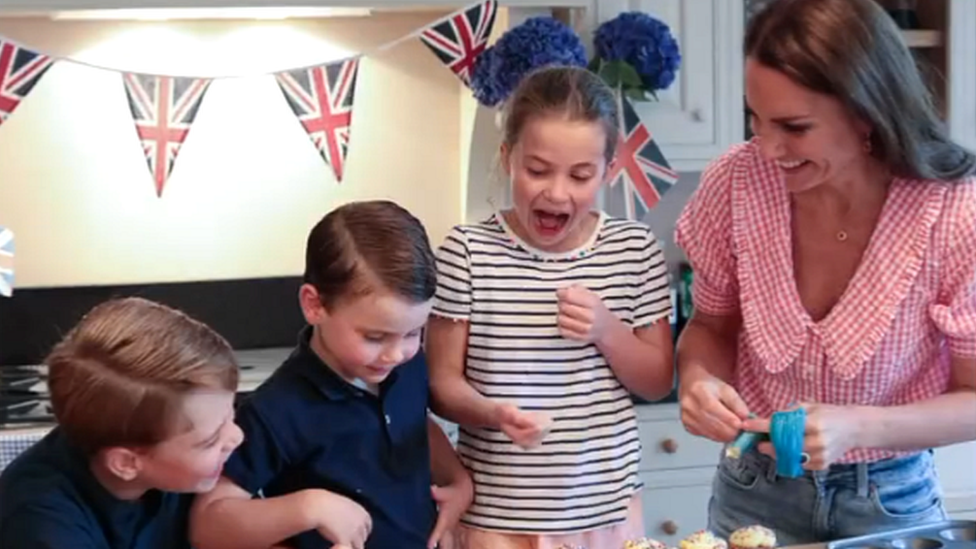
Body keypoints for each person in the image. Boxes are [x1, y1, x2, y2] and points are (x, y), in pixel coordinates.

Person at [674, 0, 976, 544]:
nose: (767, 147)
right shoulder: (734, 184)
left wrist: (859, 427)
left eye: (794, 126)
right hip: (751, 487)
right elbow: (711, 325)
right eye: (755, 119)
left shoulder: (953, 213)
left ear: (867, 112)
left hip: (890, 499)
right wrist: (699, 380)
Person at [426, 65, 676, 549]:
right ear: (507, 158)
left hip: (606, 516)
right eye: (537, 169)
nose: (556, 192)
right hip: (496, 520)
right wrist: (494, 412)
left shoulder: (635, 249)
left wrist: (608, 330)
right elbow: (441, 385)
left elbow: (657, 381)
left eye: (581, 175)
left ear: (609, 170)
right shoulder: (467, 252)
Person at [190, 200, 473, 549]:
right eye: (374, 336)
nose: (397, 353)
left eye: (414, 332)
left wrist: (458, 481)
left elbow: (413, 425)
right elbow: (208, 523)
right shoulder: (276, 410)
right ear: (314, 305)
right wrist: (307, 507)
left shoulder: (406, 365)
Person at [0, 297, 244, 549]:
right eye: (210, 441)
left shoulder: (157, 444)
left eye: (231, 414)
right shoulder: (42, 526)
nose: (236, 437)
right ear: (126, 463)